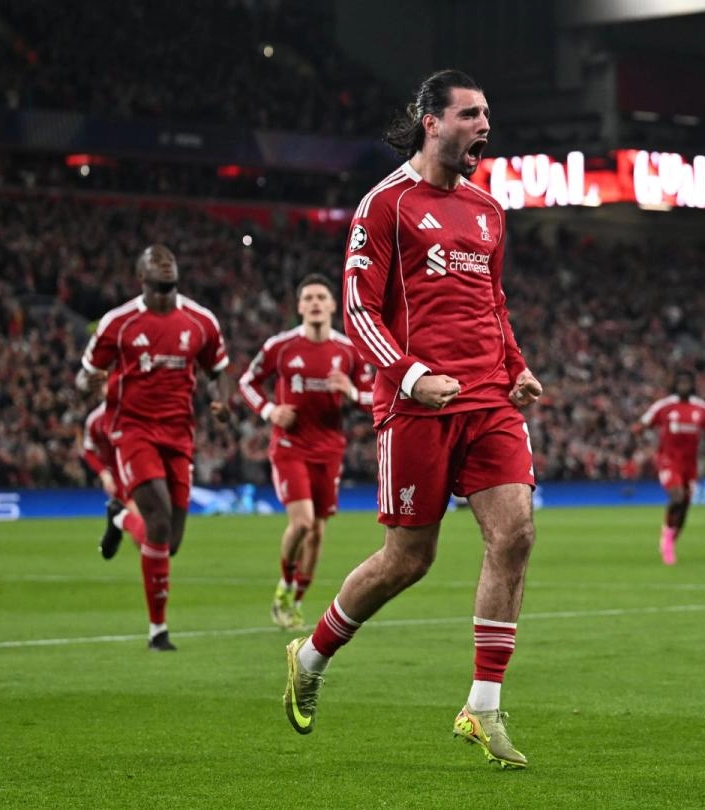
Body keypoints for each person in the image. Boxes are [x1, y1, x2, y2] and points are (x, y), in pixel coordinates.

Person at [283, 68, 543, 770]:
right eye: (471, 114)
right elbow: (359, 311)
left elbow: (493, 303)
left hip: (487, 397)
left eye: (488, 114)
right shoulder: (385, 205)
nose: (485, 126)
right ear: (431, 121)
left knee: (515, 534)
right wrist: (410, 374)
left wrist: (515, 365)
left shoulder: (489, 211)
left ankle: (482, 707)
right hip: (415, 404)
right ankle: (310, 656)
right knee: (408, 560)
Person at [76, 244, 233, 652]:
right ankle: (157, 631)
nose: (166, 289)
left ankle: (120, 520)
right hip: (133, 431)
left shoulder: (200, 321)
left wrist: (222, 400)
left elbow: (219, 370)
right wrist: (87, 384)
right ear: (141, 279)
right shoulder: (118, 323)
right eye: (159, 282)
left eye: (172, 282)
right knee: (160, 520)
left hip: (180, 434)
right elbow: (85, 376)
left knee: (170, 541)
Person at [237, 274, 374, 632]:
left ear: (331, 305)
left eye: (321, 297)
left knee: (317, 533)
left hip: (329, 449)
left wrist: (353, 394)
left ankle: (295, 601)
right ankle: (284, 585)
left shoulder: (348, 351)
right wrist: (270, 411)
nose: (315, 303)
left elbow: (374, 396)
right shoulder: (280, 347)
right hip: (289, 445)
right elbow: (246, 382)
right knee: (302, 523)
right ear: (299, 307)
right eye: (308, 297)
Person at [632, 371, 705, 565]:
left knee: (684, 507)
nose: (684, 385)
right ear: (675, 384)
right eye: (680, 382)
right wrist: (641, 437)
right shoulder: (664, 406)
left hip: (691, 464)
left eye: (687, 382)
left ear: (692, 385)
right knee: (677, 496)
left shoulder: (702, 408)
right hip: (669, 461)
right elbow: (641, 424)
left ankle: (672, 538)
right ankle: (666, 537)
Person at [81, 397, 139, 560]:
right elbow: (88, 451)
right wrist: (104, 475)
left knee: (158, 535)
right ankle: (120, 517)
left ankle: (118, 517)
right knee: (147, 535)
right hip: (120, 477)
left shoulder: (138, 408)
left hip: (143, 468)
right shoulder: (95, 420)